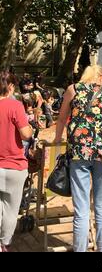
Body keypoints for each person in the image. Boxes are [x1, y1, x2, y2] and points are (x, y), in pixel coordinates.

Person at [55, 65, 102, 252]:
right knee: (101, 205)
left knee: (81, 209)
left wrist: (58, 141)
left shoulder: (73, 90)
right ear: (99, 76)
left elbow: (61, 118)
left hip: (79, 152)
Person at [0, 72, 32, 252]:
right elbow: (26, 134)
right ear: (10, 86)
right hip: (14, 165)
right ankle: (5, 244)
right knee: (11, 211)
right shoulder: (15, 105)